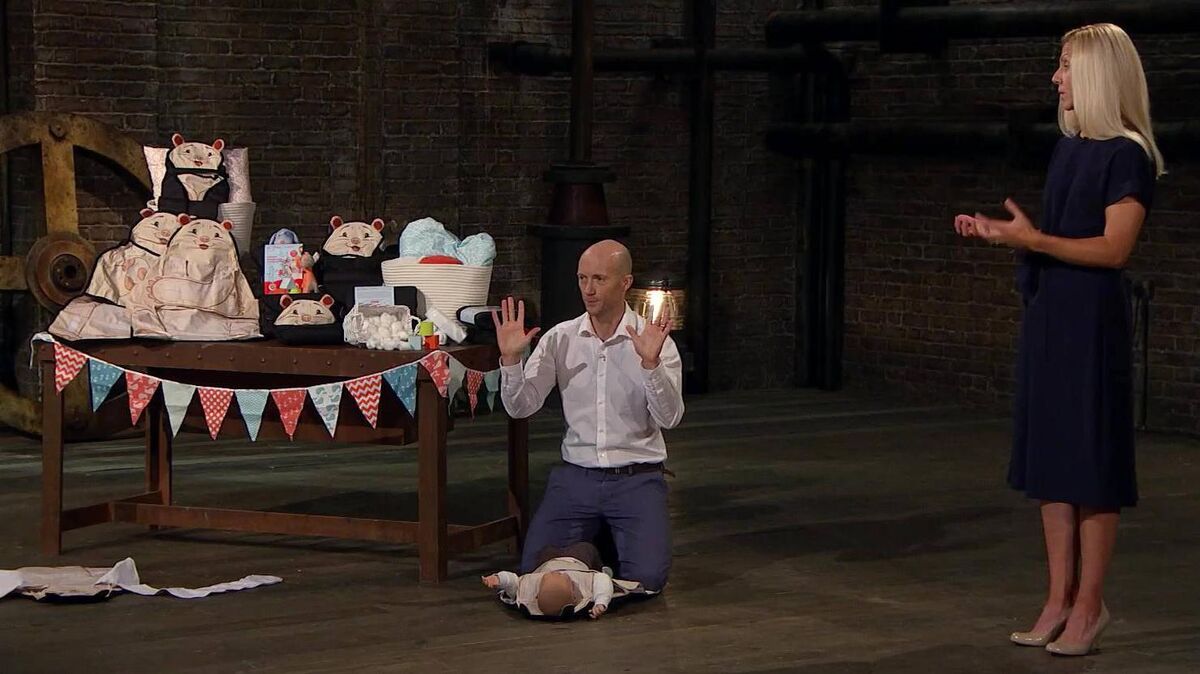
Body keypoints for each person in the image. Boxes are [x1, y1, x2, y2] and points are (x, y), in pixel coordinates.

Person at [954, 23, 1163, 657]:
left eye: (1066, 65)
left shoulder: (1127, 155)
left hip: (1091, 322)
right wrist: (1006, 236)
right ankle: (1057, 600)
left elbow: (1114, 249)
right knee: (1052, 461)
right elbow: (1054, 239)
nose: (1056, 77)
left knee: (1090, 461)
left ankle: (1090, 606)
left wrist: (1036, 240)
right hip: (1051, 315)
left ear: (1098, 73)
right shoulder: (1069, 149)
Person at [492, 239, 684, 592]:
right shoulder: (560, 338)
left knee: (647, 581)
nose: (588, 289)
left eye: (599, 279)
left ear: (625, 283)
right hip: (577, 477)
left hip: (636, 477)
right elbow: (521, 407)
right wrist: (511, 360)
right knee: (535, 570)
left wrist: (650, 365)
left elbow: (670, 418)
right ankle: (596, 555)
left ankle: (599, 553)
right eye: (582, 279)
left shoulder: (655, 342)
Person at [481, 541, 623, 619]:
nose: (558, 573)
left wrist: (499, 578)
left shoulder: (530, 590)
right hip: (576, 559)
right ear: (574, 594)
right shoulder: (582, 586)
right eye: (564, 578)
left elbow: (513, 583)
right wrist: (601, 602)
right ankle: (601, 566)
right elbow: (602, 580)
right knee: (587, 547)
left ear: (536, 595)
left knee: (546, 549)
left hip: (547, 560)